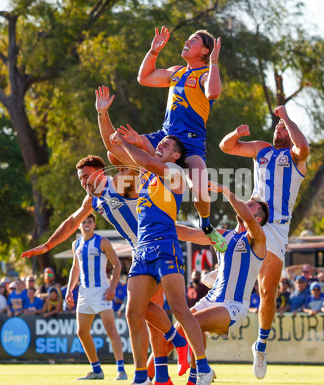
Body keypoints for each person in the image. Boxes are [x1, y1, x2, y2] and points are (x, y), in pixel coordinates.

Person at [107, 127, 215, 385]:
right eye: (161, 144)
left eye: (166, 145)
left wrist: (125, 140)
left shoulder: (176, 173)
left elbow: (143, 159)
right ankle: (141, 376)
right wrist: (104, 116)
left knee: (179, 307)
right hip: (143, 250)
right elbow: (119, 155)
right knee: (134, 312)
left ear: (177, 156)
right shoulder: (147, 178)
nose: (161, 146)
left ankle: (202, 368)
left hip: (165, 246)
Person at [219, 104, 309, 379]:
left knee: (268, 290)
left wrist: (287, 118)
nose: (278, 129)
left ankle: (260, 345)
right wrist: (236, 133)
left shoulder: (296, 157)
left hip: (278, 228)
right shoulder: (261, 149)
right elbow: (226, 147)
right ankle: (221, 271)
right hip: (255, 215)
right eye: (277, 126)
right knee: (232, 232)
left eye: (284, 127)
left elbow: (303, 147)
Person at [136, 26, 227, 252]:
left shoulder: (205, 74)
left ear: (205, 50)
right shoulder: (176, 71)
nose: (186, 41)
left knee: (199, 193)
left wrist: (214, 62)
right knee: (119, 147)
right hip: (165, 136)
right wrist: (153, 51)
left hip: (192, 143)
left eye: (193, 40)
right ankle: (129, 199)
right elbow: (144, 78)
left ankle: (206, 226)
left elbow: (214, 93)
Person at [174, 181, 268, 385]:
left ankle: (200, 371)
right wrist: (158, 222)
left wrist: (226, 191)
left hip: (233, 306)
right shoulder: (223, 236)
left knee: (193, 324)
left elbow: (246, 216)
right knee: (177, 331)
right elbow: (189, 233)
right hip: (211, 299)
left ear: (258, 219)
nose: (246, 204)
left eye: (251, 205)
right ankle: (197, 374)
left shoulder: (257, 237)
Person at [65, 214, 127, 381]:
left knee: (110, 328)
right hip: (84, 292)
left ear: (94, 224)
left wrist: (113, 287)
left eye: (89, 221)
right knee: (81, 332)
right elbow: (75, 268)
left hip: (102, 290)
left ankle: (121, 369)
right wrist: (70, 289)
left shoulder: (102, 242)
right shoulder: (76, 244)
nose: (86, 224)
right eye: (83, 222)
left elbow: (117, 264)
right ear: (79, 225)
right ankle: (96, 370)